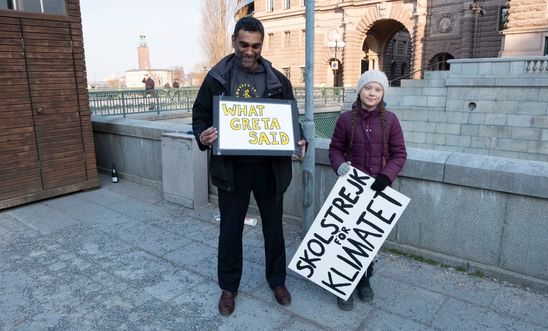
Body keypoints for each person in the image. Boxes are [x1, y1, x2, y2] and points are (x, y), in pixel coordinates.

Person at [192, 16, 307, 317]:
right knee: (230, 230)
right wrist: (203, 136)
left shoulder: (279, 80)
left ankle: (277, 281)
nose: (249, 50)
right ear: (233, 41)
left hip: (269, 169)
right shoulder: (216, 77)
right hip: (232, 168)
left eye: (255, 45)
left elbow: (291, 120)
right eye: (244, 44)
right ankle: (228, 288)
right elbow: (200, 116)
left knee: (274, 229)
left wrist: (299, 139)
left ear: (261, 45)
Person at [328, 70, 407, 310]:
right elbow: (335, 149)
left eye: (378, 89)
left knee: (368, 241)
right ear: (360, 90)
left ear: (383, 94)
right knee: (347, 239)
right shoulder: (345, 119)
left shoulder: (391, 120)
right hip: (351, 191)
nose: (372, 93)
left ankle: (364, 281)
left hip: (378, 189)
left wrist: (386, 175)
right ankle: (345, 285)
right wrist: (340, 165)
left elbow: (399, 154)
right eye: (368, 88)